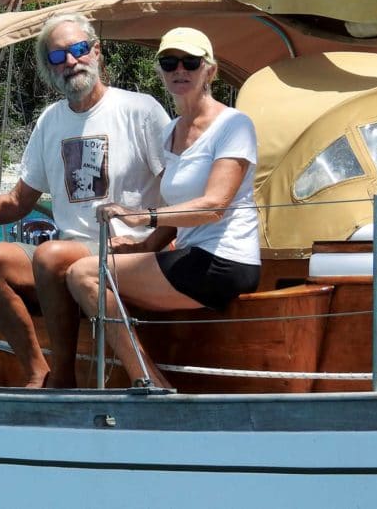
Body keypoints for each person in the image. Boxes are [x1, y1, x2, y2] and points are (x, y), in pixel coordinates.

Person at [0, 13, 172, 388]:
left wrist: (155, 241)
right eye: (57, 56)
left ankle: (63, 377)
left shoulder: (140, 110)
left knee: (51, 254)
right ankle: (37, 371)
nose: (70, 61)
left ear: (96, 51)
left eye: (79, 49)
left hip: (129, 249)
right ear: (49, 67)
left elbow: (175, 190)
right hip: (70, 250)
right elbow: (18, 201)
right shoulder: (50, 121)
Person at [63, 26, 261, 390]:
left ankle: (148, 381)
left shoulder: (234, 125)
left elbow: (214, 206)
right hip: (192, 257)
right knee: (87, 268)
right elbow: (176, 208)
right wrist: (144, 245)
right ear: (161, 72)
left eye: (190, 62)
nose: (179, 70)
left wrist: (143, 216)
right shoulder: (170, 132)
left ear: (210, 70)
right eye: (169, 63)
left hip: (224, 262)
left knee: (83, 274)